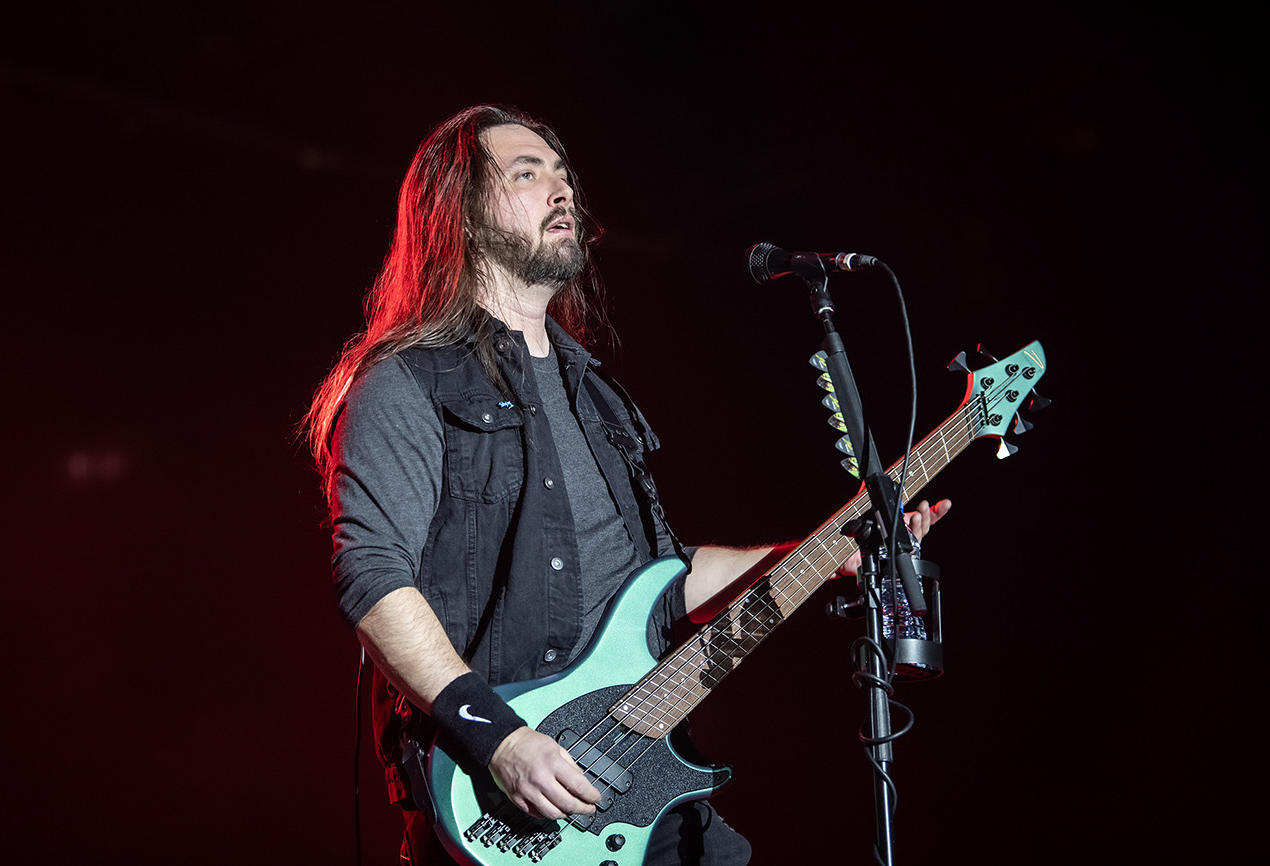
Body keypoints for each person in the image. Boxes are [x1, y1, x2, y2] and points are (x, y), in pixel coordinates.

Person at [307, 104, 949, 865]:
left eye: (563, 174)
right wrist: (501, 739)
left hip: (637, 781)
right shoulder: (405, 382)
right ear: (460, 214)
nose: (561, 190)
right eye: (526, 174)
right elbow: (373, 578)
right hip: (503, 794)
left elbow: (662, 581)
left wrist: (818, 554)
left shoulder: (596, 395)